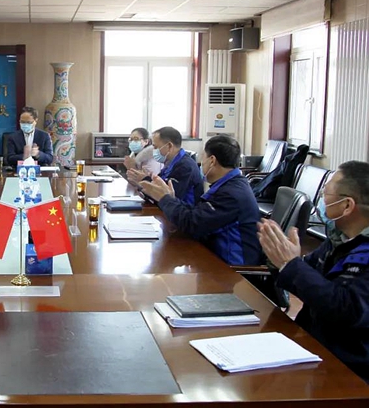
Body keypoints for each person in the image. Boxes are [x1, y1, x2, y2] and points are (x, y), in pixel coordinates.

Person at [257, 161, 369, 382]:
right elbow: (307, 273)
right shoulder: (339, 239)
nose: (322, 200)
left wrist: (291, 264)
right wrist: (280, 262)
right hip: (314, 345)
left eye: (326, 193)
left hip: (348, 368)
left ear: (347, 205)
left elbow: (346, 309)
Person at [140, 135, 263, 266]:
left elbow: (192, 224)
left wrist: (165, 199)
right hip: (214, 259)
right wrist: (172, 199)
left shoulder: (231, 195)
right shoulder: (228, 185)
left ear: (212, 160)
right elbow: (198, 213)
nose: (201, 163)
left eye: (203, 157)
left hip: (232, 271)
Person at [128, 126, 203, 205]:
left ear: (169, 146)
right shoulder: (169, 163)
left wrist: (145, 179)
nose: (154, 150)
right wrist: (140, 182)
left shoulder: (185, 166)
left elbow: (167, 197)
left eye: (156, 147)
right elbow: (160, 183)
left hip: (185, 210)